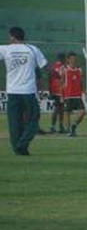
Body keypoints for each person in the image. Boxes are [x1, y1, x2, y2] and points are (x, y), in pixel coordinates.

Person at [0, 27, 48, 155]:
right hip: (28, 91)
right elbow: (44, 67)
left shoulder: (5, 49)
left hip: (12, 91)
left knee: (14, 122)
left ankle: (18, 148)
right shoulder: (32, 49)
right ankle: (22, 145)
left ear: (12, 37)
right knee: (33, 119)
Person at [62, 51, 86, 137]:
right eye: (72, 59)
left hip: (77, 95)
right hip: (68, 95)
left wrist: (83, 91)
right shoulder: (65, 69)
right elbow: (62, 83)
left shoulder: (79, 70)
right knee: (67, 113)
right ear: (68, 60)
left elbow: (81, 82)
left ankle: (74, 126)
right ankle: (68, 131)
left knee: (82, 112)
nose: (74, 60)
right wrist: (62, 96)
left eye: (75, 59)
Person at [48, 52, 67, 133]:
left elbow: (49, 78)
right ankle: (60, 126)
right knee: (61, 108)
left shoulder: (53, 66)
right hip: (60, 90)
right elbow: (63, 78)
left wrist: (50, 90)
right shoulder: (63, 67)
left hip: (53, 89)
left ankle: (53, 126)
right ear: (62, 59)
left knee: (57, 108)